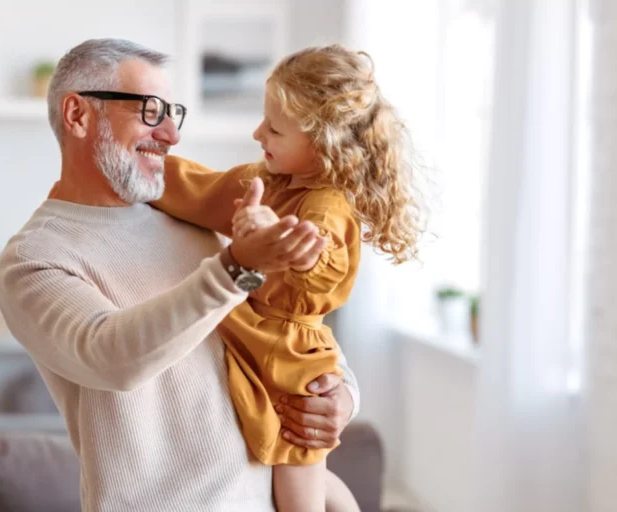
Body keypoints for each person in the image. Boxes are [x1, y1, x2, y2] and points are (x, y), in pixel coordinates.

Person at [0, 38, 360, 512]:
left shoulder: (199, 218)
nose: (170, 134)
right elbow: (113, 356)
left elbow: (291, 324)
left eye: (173, 113)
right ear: (78, 115)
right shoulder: (34, 258)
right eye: (149, 111)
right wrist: (237, 265)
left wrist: (342, 396)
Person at [152, 44, 424, 512]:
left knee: (299, 487)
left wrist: (276, 241)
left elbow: (319, 268)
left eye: (274, 129)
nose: (258, 133)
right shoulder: (268, 180)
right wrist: (145, 169)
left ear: (323, 143)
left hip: (293, 360)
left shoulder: (326, 205)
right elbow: (201, 189)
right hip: (255, 331)